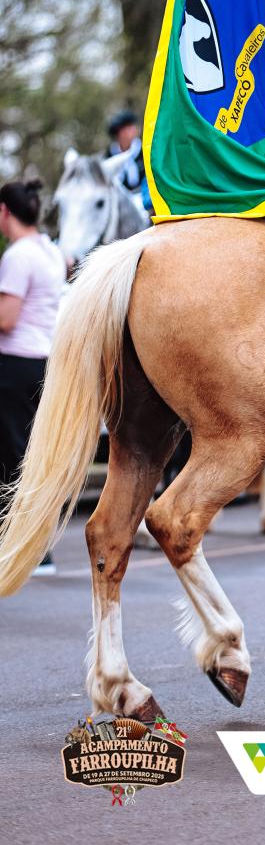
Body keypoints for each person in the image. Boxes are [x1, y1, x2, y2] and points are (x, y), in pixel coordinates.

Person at [0, 179, 67, 573]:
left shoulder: (18, 255)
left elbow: (7, 320)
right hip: (44, 363)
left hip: (14, 365)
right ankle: (37, 546)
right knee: (32, 454)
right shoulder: (51, 251)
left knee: (13, 457)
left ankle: (29, 550)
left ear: (5, 212)